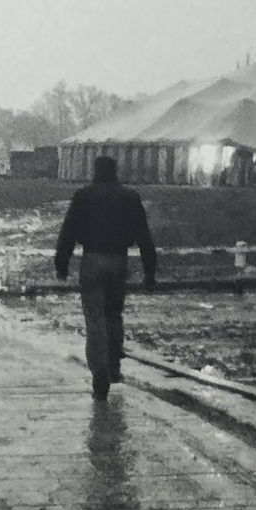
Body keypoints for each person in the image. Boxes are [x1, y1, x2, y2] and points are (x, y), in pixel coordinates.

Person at [54, 155, 157, 399]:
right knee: (114, 315)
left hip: (91, 260)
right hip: (119, 260)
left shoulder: (83, 196)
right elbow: (144, 235)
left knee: (95, 320)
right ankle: (113, 364)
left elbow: (68, 231)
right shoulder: (130, 197)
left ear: (95, 171)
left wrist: (62, 263)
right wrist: (150, 270)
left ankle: (99, 374)